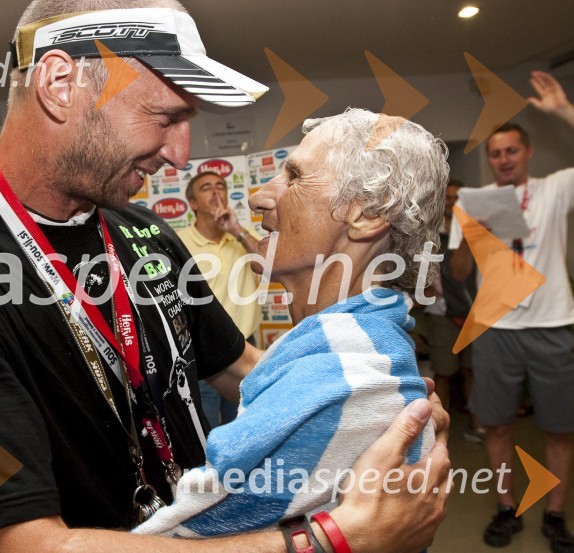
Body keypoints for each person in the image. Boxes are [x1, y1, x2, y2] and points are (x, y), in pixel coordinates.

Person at [0, 2, 451, 552]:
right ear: (60, 85)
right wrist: (328, 539)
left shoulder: (143, 232)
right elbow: (19, 543)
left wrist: (382, 408)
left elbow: (239, 368)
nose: (180, 154)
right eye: (165, 117)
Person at [134, 109, 444, 536]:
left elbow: (182, 537)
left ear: (368, 214)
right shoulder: (354, 347)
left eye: (294, 177)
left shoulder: (340, 376)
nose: (259, 197)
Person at [450, 70, 574, 552]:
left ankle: (556, 515)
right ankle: (506, 506)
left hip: (553, 325)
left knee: (559, 428)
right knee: (497, 424)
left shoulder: (555, 189)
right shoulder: (474, 204)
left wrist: (562, 110)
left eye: (511, 151)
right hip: (497, 328)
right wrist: (475, 236)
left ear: (527, 154)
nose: (503, 159)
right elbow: (459, 274)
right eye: (495, 153)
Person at [177, 172, 262, 426]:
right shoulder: (178, 242)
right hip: (202, 353)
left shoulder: (242, 239)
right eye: (206, 188)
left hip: (246, 349)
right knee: (207, 434)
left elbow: (272, 264)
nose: (216, 192)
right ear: (192, 203)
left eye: (220, 186)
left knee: (248, 430)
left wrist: (236, 230)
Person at [424, 180, 482, 443]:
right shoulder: (429, 234)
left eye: (457, 197)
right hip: (441, 313)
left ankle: (476, 424)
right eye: (447, 198)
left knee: (474, 371)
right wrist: (425, 292)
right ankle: (438, 429)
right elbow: (420, 274)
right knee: (444, 373)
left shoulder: (477, 232)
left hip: (476, 313)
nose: (452, 202)